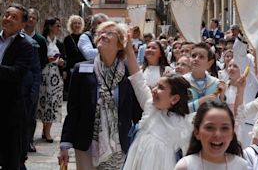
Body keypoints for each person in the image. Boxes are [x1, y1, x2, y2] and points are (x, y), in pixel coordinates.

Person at [59, 21, 143, 169]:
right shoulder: (81, 69)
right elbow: (73, 110)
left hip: (119, 145)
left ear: (119, 44)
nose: (103, 35)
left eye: (109, 33)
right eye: (100, 33)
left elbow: (137, 112)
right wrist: (64, 144)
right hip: (86, 143)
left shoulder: (128, 73)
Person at [122, 33, 194, 170]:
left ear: (174, 98)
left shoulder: (184, 123)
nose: (154, 90)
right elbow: (137, 79)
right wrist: (129, 48)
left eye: (160, 88)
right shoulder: (150, 106)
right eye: (155, 86)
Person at [0, 3, 34, 170]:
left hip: (9, 113)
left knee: (10, 161)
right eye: (6, 15)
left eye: (14, 17)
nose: (8, 19)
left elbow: (17, 73)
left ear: (22, 24)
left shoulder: (26, 46)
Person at [175, 101, 247, 170]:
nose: (217, 135)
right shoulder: (185, 166)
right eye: (209, 127)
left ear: (232, 133)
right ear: (197, 132)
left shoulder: (241, 166)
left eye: (224, 128)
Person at [21, 8, 48, 152]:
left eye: (33, 18)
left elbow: (42, 61)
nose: (30, 20)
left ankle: (29, 140)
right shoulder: (17, 36)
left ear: (37, 21)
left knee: (31, 114)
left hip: (32, 80)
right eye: (29, 17)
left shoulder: (40, 40)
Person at [37, 17, 66, 143]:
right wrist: (48, 60)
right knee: (44, 102)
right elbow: (39, 58)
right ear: (50, 27)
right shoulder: (43, 41)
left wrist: (62, 62)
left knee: (53, 103)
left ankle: (47, 131)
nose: (59, 28)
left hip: (56, 76)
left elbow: (65, 58)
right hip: (45, 75)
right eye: (57, 26)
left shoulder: (59, 43)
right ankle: (45, 130)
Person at [184, 42, 223, 113]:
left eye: (201, 57)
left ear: (209, 63)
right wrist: (201, 101)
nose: (196, 59)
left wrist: (222, 95)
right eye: (193, 56)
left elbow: (220, 109)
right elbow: (178, 109)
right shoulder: (182, 81)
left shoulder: (216, 83)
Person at [63, 15, 86, 98]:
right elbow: (65, 55)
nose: (77, 25)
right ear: (71, 25)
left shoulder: (85, 37)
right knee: (72, 91)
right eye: (75, 23)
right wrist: (65, 69)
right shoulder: (67, 39)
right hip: (72, 68)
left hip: (84, 67)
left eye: (79, 23)